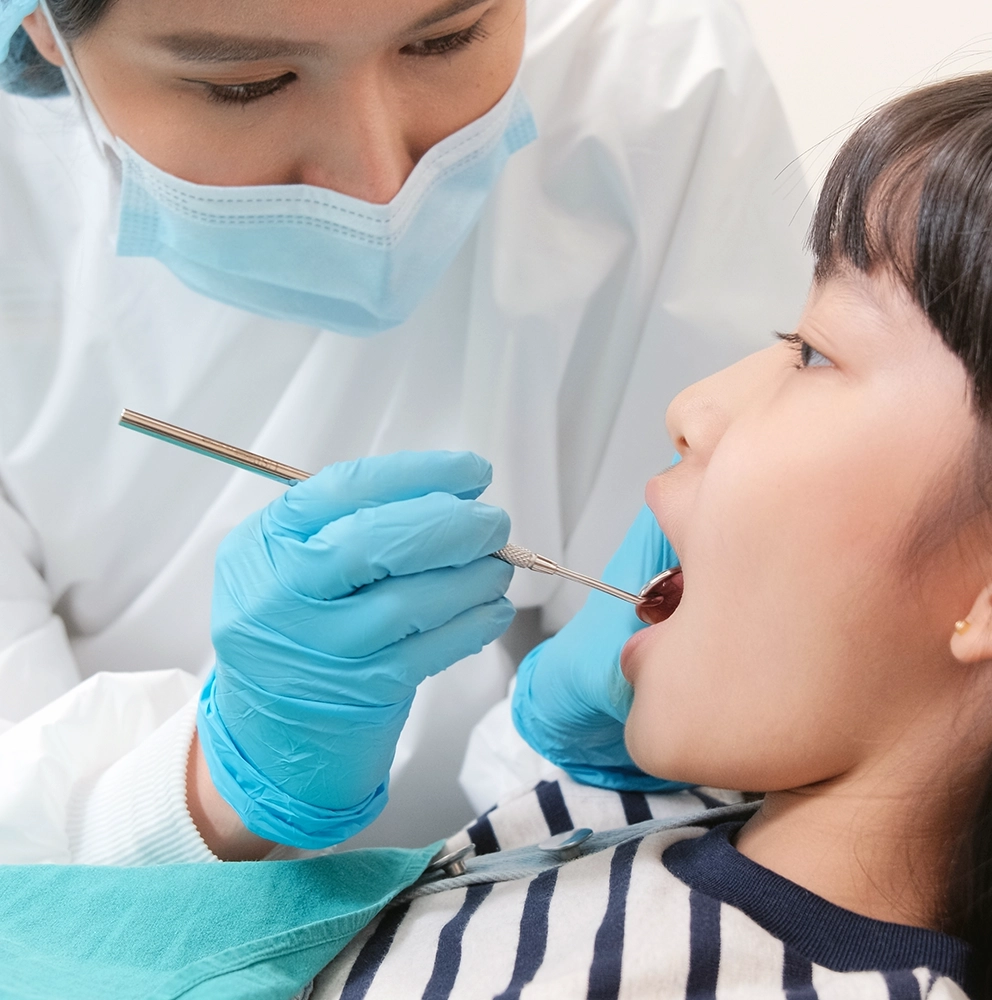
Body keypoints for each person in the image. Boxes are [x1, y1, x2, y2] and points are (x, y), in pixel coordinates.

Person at [5, 69, 992, 1000]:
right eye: (244, 78)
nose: (692, 408)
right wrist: (548, 767)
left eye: (812, 352)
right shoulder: (656, 832)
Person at [0, 0, 810, 862]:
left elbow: (737, 731)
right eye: (247, 85)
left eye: (447, 39)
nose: (381, 185)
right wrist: (214, 791)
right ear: (43, 25)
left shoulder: (656, 78)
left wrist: (601, 734)